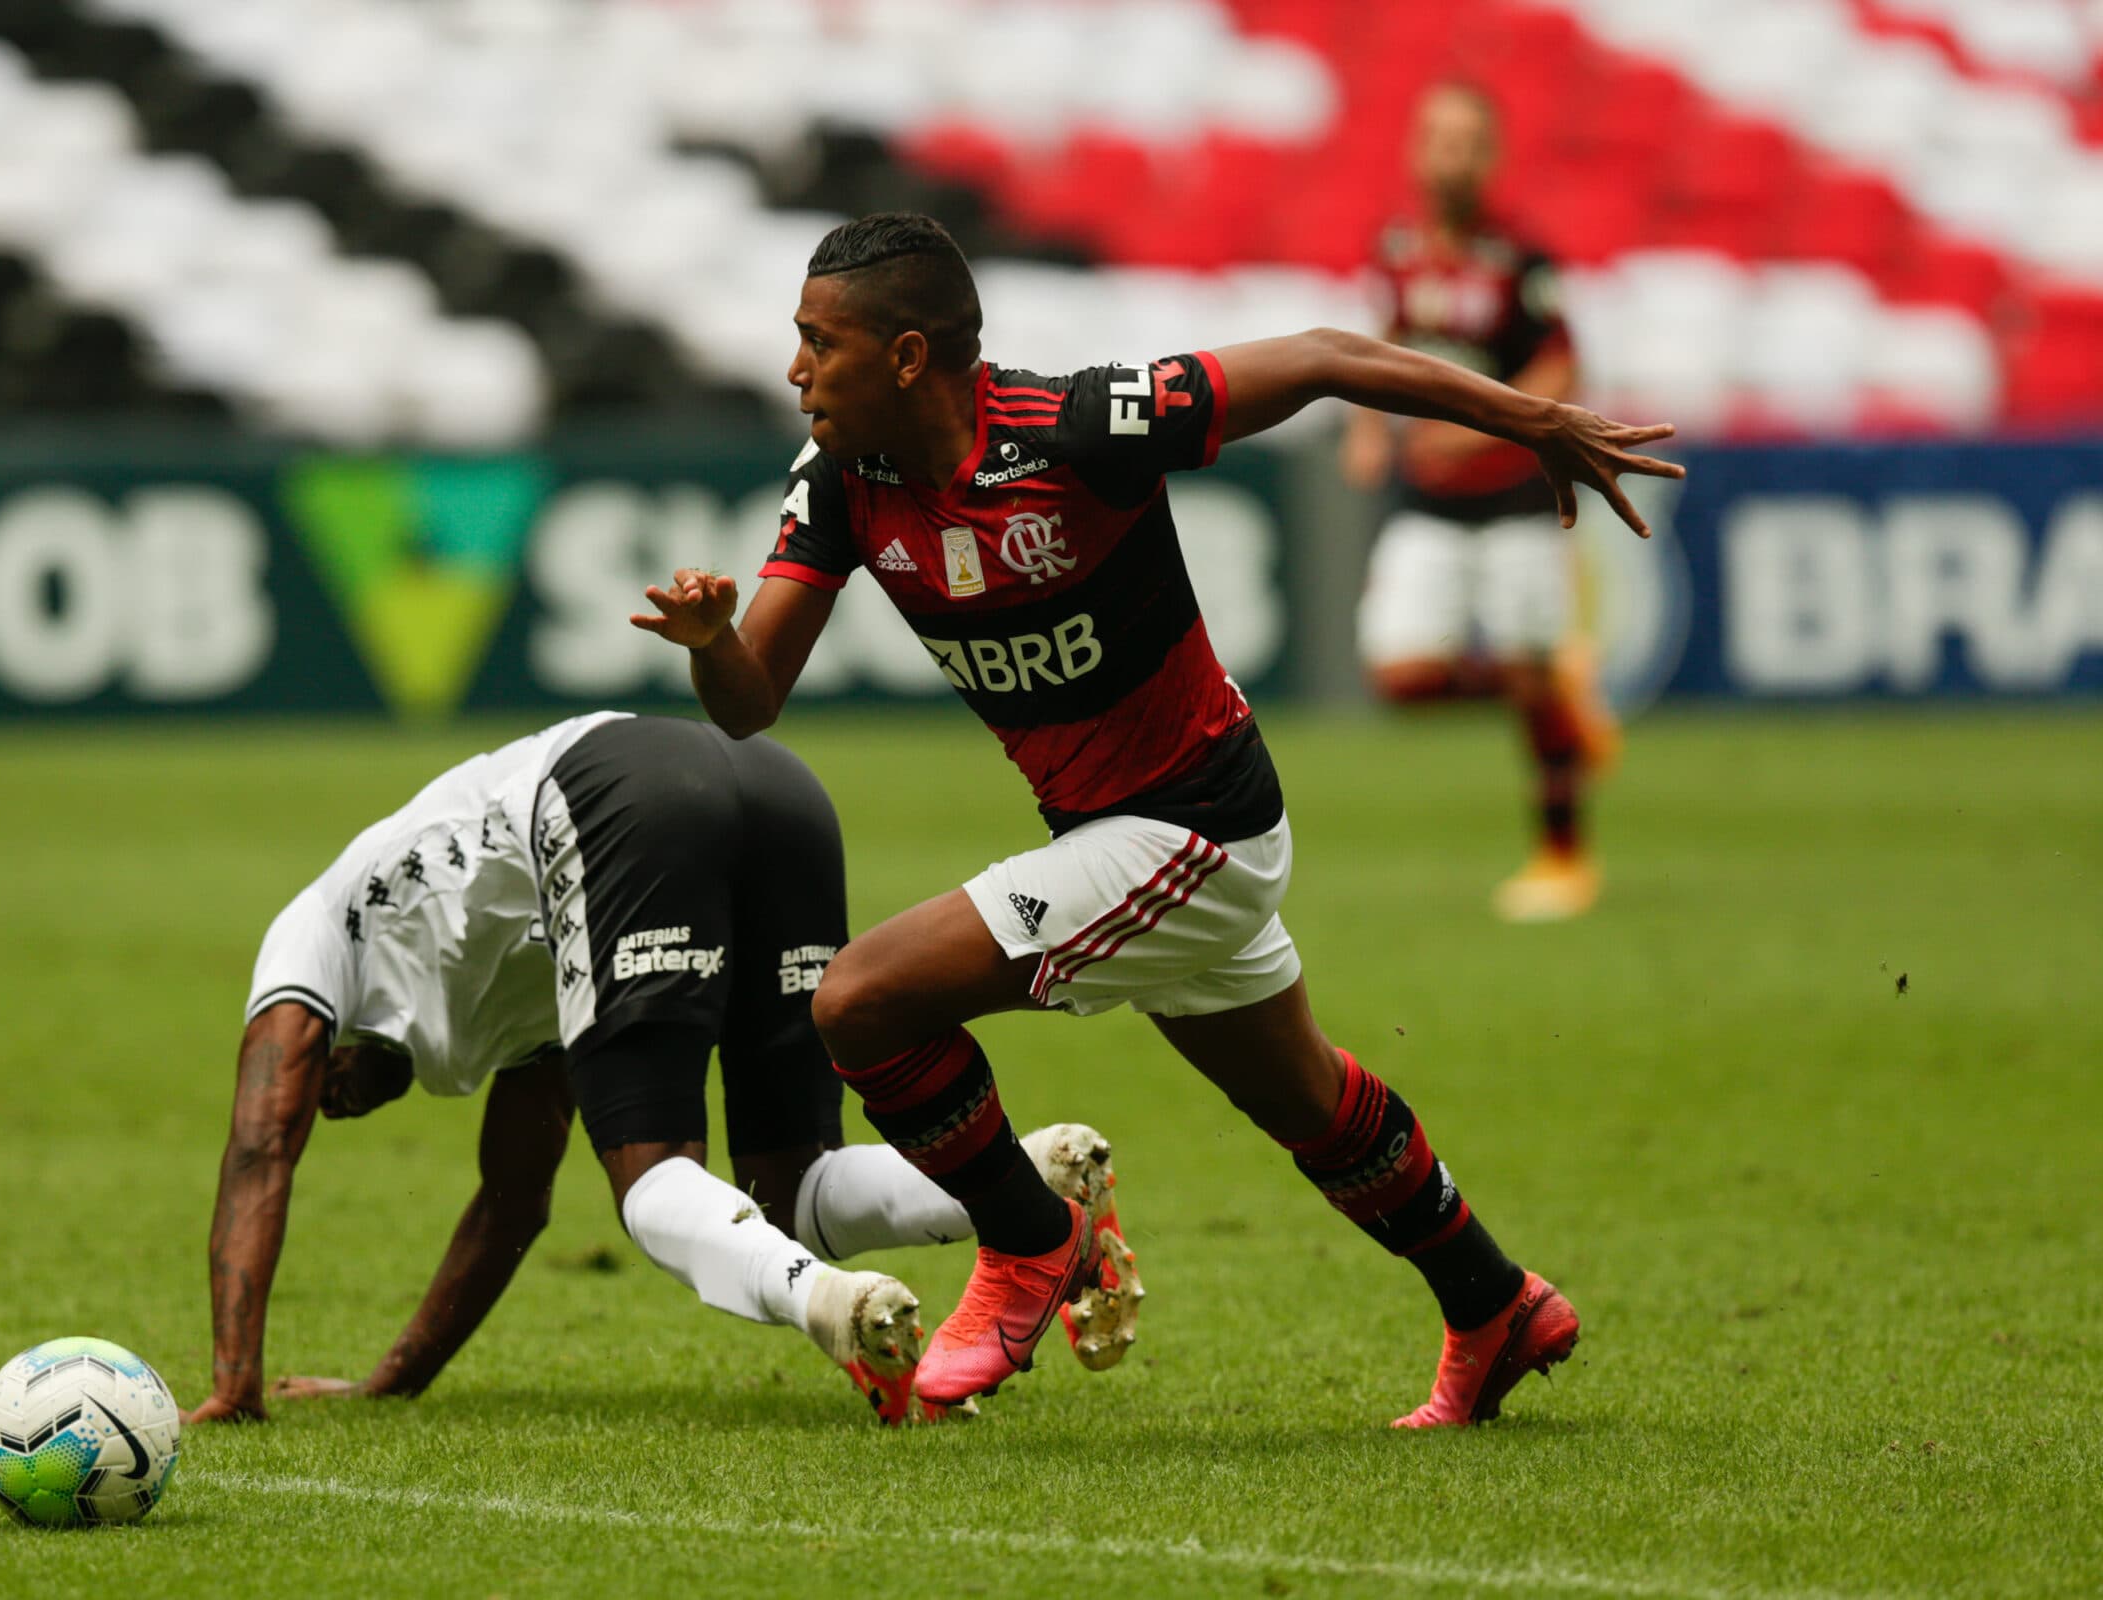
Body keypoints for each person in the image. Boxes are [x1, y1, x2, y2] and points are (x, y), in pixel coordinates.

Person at [630, 212, 1680, 1423]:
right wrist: (712, 642)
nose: (796, 369)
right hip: (1117, 844)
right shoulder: (840, 484)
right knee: (1307, 1101)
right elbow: (750, 703)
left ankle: (1029, 1242)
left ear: (907, 356)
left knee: (859, 1003)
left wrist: (1531, 419)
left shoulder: (1082, 427)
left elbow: (1327, 356)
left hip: (1195, 828)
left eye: (820, 342)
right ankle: (1495, 1302)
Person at [183, 711, 1137, 1428]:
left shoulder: (312, 935)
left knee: (650, 1183)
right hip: (778, 788)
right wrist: (390, 1383)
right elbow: (512, 1202)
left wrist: (234, 1386)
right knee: (791, 1183)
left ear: (316, 1031)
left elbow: (261, 1146)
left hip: (619, 795)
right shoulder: (508, 995)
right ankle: (1032, 1181)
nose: (328, 1098)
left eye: (321, 1075)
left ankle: (833, 1307)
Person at [1342, 80, 1621, 922]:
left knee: (1529, 676)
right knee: (1399, 674)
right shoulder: (1396, 250)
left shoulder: (1520, 260)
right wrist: (1365, 426)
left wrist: (1479, 430)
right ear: (1415, 149)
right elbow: (1377, 346)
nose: (1450, 157)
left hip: (1514, 497)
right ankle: (1561, 688)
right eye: (1438, 138)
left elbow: (1563, 364)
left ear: (1490, 157)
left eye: (1466, 142)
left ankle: (1564, 857)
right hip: (1426, 500)